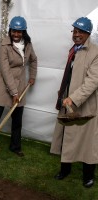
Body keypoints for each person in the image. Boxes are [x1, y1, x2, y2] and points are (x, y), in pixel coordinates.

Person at [50, 17, 98, 188]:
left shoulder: (95, 52)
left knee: (88, 142)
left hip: (85, 105)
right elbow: (70, 75)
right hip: (67, 101)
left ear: (88, 33)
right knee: (66, 137)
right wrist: (63, 92)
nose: (76, 35)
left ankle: (88, 176)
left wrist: (74, 98)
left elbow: (92, 81)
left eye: (80, 32)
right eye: (75, 31)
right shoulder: (74, 50)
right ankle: (65, 170)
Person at [0, 16, 37, 157]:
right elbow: (5, 70)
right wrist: (13, 92)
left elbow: (34, 59)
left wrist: (32, 76)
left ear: (24, 31)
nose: (16, 34)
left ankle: (15, 146)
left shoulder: (28, 44)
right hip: (4, 84)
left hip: (20, 84)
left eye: (19, 32)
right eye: (14, 31)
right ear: (10, 30)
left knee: (17, 117)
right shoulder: (4, 45)